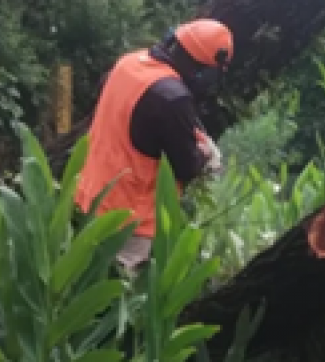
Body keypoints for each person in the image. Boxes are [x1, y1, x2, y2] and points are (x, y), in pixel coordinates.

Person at [75, 19, 233, 275]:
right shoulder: (173, 97)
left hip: (92, 197)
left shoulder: (129, 63)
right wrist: (204, 155)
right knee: (118, 290)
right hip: (131, 221)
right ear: (204, 69)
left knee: (84, 281)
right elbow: (186, 166)